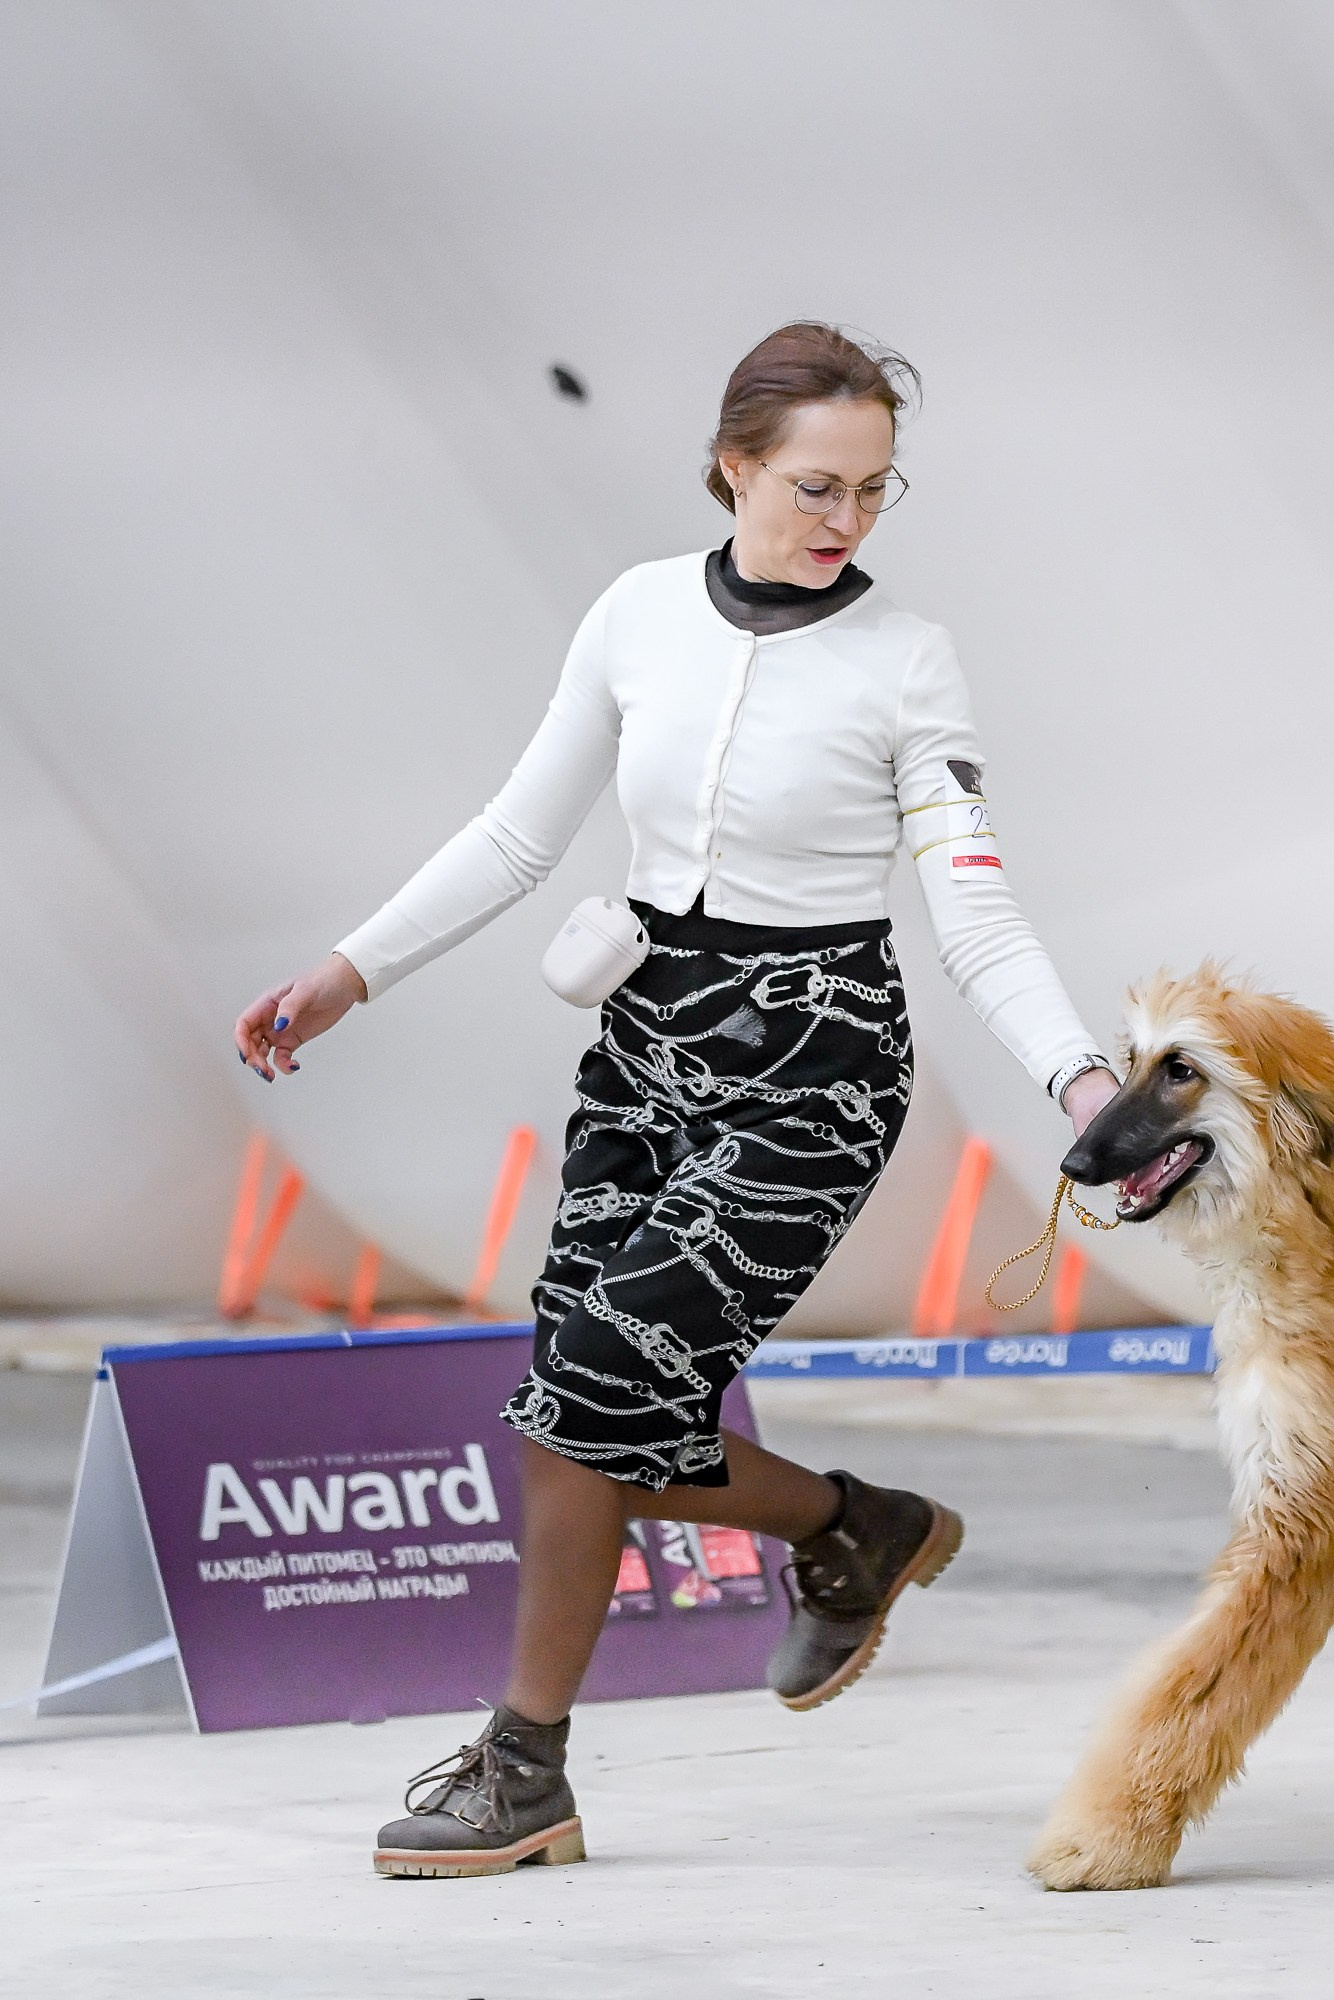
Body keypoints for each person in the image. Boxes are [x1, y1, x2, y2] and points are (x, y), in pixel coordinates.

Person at [234, 322, 1118, 1879]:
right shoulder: (639, 613)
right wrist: (345, 973)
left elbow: (973, 908)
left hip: (816, 1066)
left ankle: (525, 1765)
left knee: (582, 1390)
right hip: (646, 1045)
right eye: (814, 485)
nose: (845, 518)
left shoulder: (908, 659)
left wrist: (1083, 1078)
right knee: (583, 1404)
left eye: (874, 491)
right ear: (734, 464)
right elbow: (519, 835)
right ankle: (850, 1528)